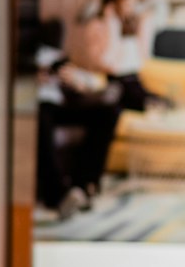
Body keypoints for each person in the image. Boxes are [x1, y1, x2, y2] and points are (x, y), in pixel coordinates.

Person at [35, 40, 122, 218]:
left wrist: (74, 80)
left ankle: (84, 184)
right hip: (35, 103)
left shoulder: (53, 52)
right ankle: (58, 195)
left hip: (59, 102)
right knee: (41, 115)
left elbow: (89, 83)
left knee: (109, 112)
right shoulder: (17, 52)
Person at [84, 0, 150, 111]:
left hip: (134, 80)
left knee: (165, 104)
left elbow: (143, 58)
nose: (131, 9)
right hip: (115, 82)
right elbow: (107, 63)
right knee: (150, 105)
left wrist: (144, 26)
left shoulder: (130, 25)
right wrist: (111, 24)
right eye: (127, 4)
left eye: (133, 4)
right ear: (112, 5)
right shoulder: (97, 26)